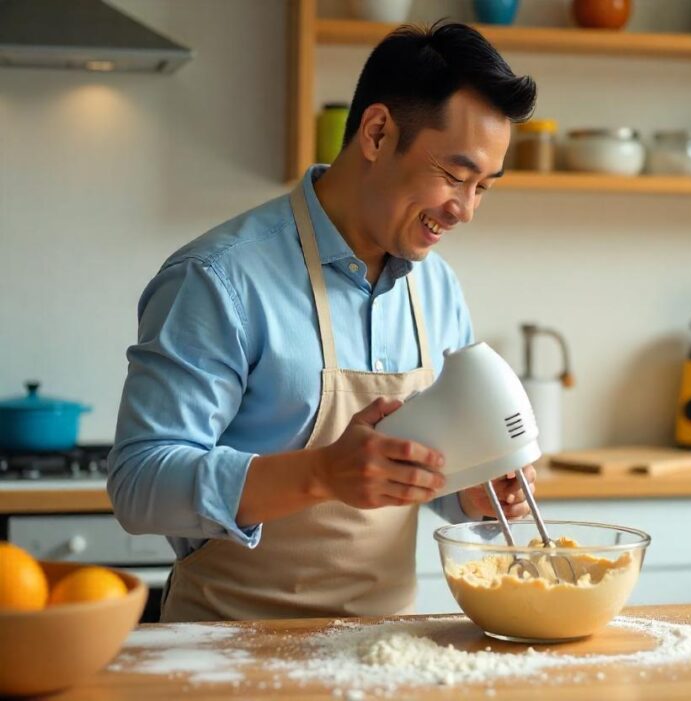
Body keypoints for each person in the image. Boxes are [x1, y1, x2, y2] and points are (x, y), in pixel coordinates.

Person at [107, 21, 538, 622]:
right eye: (453, 176)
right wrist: (320, 474)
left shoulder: (436, 287)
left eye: (483, 188)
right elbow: (138, 485)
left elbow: (428, 473)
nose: (464, 210)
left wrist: (477, 492)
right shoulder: (219, 278)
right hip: (228, 655)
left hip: (386, 654)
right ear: (378, 132)